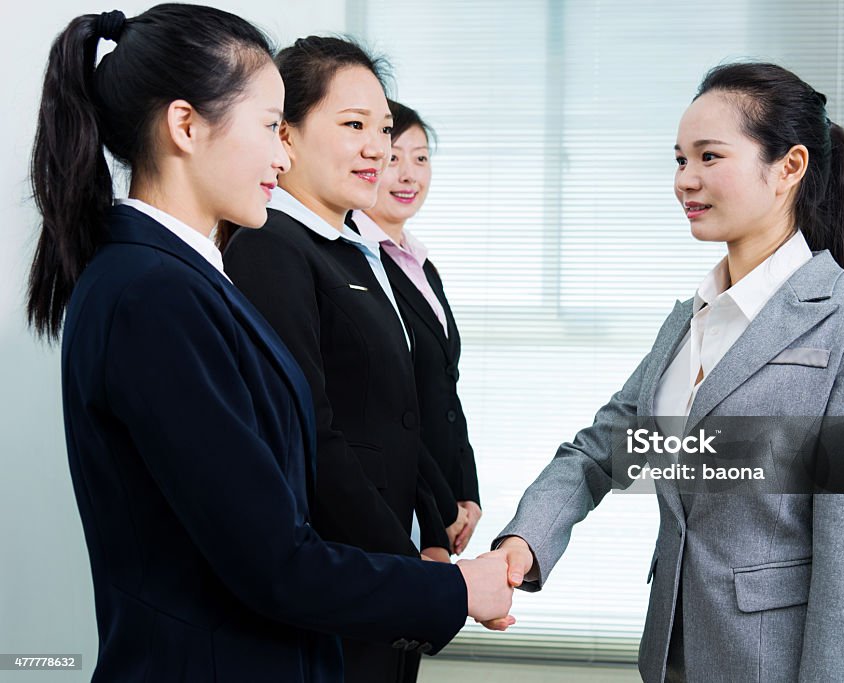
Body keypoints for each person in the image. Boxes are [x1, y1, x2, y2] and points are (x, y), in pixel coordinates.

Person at [25, 6, 510, 681]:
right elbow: (274, 561)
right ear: (186, 125)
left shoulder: (187, 278)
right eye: (268, 128)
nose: (282, 157)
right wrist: (455, 590)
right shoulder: (150, 295)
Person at [484, 62, 844, 682]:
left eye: (710, 157)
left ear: (789, 167)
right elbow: (602, 449)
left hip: (772, 663)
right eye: (680, 160)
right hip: (671, 653)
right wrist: (523, 544)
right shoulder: (689, 320)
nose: (686, 180)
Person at [221, 38, 464, 683]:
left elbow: (399, 408)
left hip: (385, 568)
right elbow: (313, 431)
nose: (378, 149)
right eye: (353, 126)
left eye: (383, 129)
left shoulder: (355, 249)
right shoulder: (270, 245)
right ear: (287, 136)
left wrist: (433, 526)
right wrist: (409, 570)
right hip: (341, 577)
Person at [353, 100, 482, 555]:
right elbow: (389, 409)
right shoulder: (358, 266)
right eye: (393, 158)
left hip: (441, 498)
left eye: (421, 158)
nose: (409, 174)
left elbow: (445, 384)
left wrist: (466, 487)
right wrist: (439, 511)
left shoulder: (420, 263)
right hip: (400, 505)